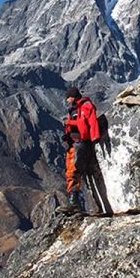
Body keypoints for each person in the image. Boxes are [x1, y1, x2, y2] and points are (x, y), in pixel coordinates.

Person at [57, 86, 102, 214]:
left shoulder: (85, 106)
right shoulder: (74, 109)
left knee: (74, 170)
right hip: (73, 144)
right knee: (70, 171)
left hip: (81, 143)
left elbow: (87, 123)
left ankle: (74, 203)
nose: (67, 100)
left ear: (74, 97)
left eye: (69, 98)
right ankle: (73, 201)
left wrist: (94, 138)